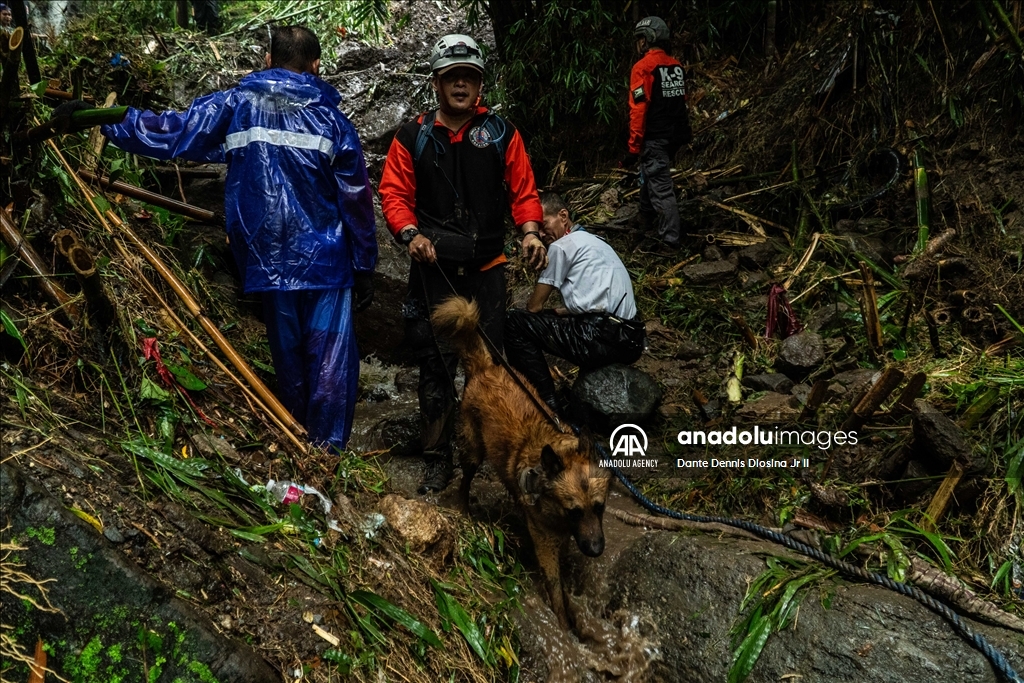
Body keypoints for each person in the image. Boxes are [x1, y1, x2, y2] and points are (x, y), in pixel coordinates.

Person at [100, 26, 377, 452]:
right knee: (329, 363)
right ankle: (328, 455)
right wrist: (364, 264)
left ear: (267, 59)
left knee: (290, 361)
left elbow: (175, 129)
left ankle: (299, 448)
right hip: (326, 261)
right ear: (316, 66)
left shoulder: (236, 104)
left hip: (266, 259)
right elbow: (356, 199)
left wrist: (110, 122)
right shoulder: (333, 120)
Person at [379, 33, 546, 494]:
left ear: (479, 86)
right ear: (436, 83)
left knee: (491, 368)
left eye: (468, 77)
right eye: (451, 77)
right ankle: (437, 457)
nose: (460, 85)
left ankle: (496, 453)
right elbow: (393, 193)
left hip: (487, 266)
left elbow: (524, 190)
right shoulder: (412, 136)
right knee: (435, 367)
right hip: (432, 268)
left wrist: (530, 232)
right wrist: (410, 234)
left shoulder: (499, 133)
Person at [505, 192, 646, 414]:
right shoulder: (595, 242)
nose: (540, 234)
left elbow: (533, 308)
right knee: (551, 316)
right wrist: (559, 312)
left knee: (514, 321)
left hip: (599, 337)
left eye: (544, 224)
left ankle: (547, 404)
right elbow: (596, 301)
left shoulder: (563, 246)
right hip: (632, 339)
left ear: (563, 216)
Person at [623, 16, 692, 255]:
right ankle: (645, 217)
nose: (638, 44)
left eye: (640, 39)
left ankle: (670, 241)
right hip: (672, 137)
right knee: (650, 173)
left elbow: (639, 109)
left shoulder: (643, 68)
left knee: (661, 188)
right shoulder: (675, 66)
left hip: (654, 138)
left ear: (647, 40)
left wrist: (633, 147)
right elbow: (681, 102)